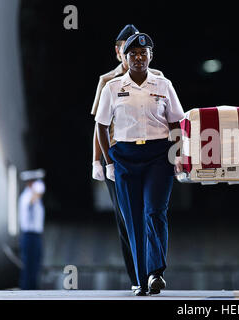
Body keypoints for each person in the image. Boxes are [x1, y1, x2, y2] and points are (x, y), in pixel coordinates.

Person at [95, 32, 185, 296]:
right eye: (132, 54)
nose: (138, 58)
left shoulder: (163, 84)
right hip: (124, 157)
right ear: (124, 57)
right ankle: (141, 278)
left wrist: (177, 155)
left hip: (159, 156)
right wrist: (107, 161)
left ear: (150, 56)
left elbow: (175, 123)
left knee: (154, 211)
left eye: (143, 53)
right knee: (133, 219)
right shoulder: (112, 87)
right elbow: (100, 126)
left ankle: (156, 272)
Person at [18, 169, 46, 290]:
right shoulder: (27, 195)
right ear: (30, 183)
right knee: (29, 265)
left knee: (35, 264)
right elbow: (31, 201)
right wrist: (37, 190)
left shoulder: (33, 195)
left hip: (36, 235)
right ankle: (26, 290)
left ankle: (33, 289)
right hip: (29, 235)